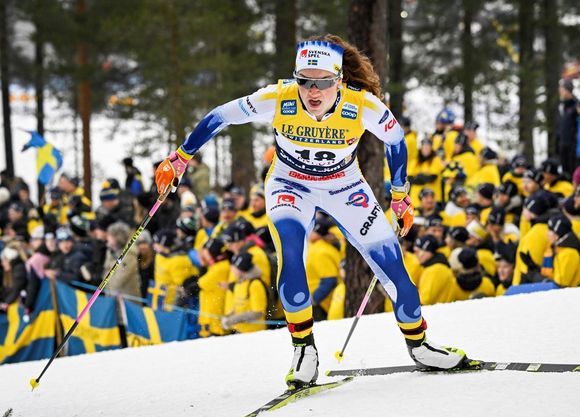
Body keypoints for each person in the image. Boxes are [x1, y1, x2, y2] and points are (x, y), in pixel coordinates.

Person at [154, 35, 469, 387]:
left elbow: (395, 141)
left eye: (323, 82)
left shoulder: (362, 105)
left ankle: (420, 344)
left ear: (340, 80)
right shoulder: (279, 98)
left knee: (393, 264)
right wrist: (180, 158)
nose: (313, 91)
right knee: (290, 251)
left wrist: (400, 196)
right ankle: (304, 349)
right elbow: (220, 116)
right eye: (304, 80)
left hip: (344, 185)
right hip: (290, 183)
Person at [557, 79, 579, 175]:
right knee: (564, 171)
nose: (560, 92)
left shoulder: (576, 106)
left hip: (572, 145)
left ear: (568, 91)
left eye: (562, 89)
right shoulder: (561, 106)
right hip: (562, 144)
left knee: (572, 171)